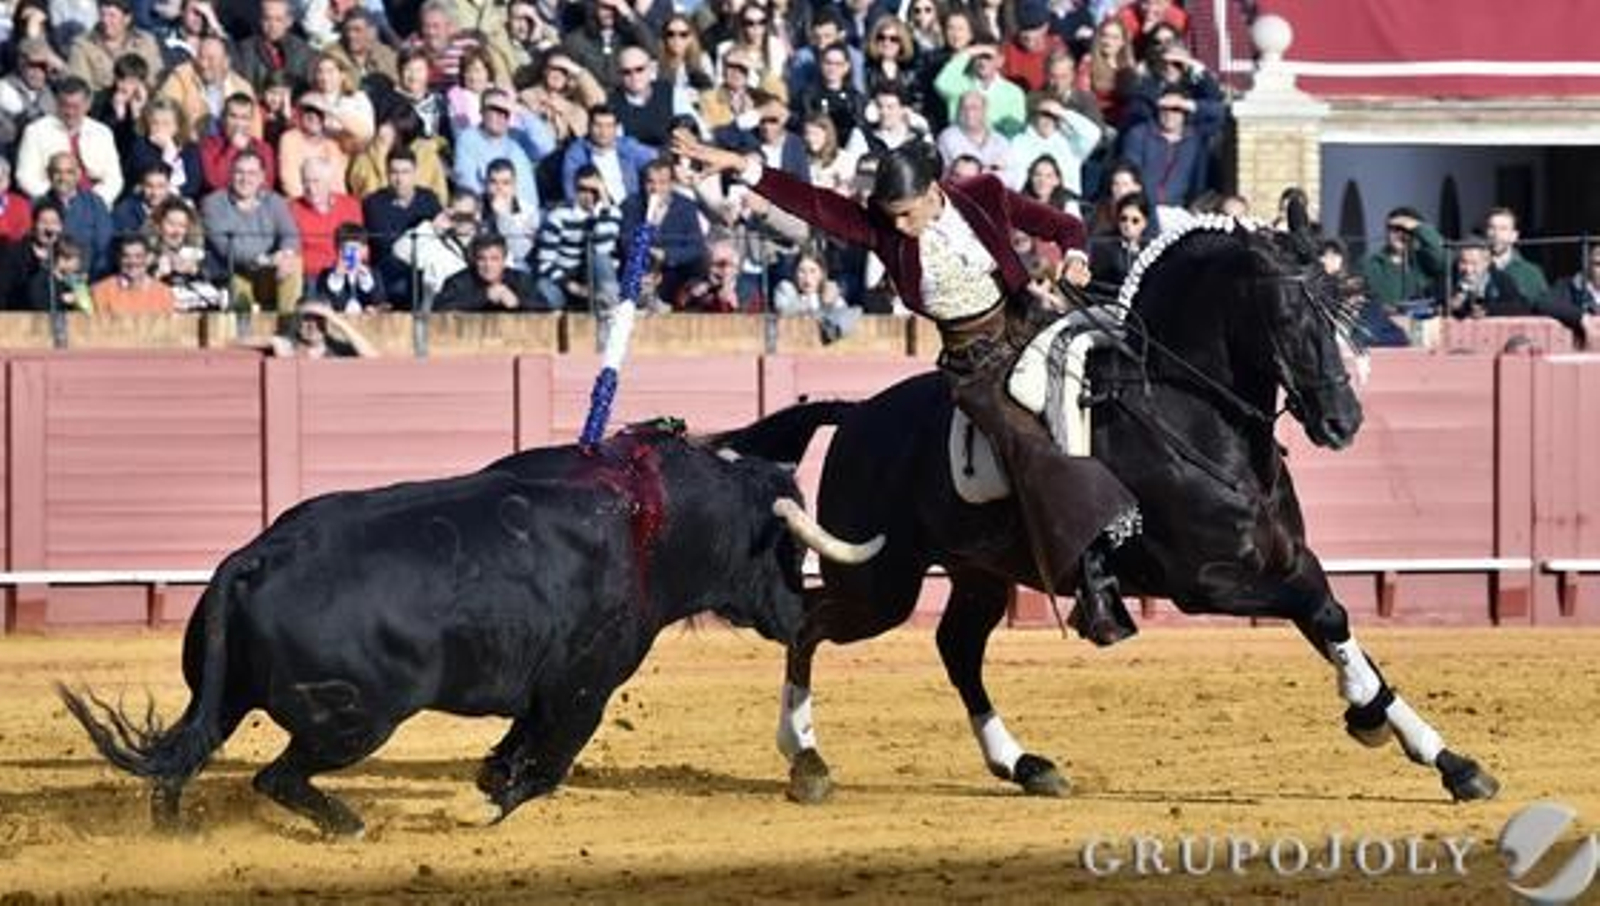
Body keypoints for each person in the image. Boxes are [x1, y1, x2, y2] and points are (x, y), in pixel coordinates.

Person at [673, 128, 1139, 646]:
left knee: (1127, 367)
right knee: (1022, 441)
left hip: (1032, 329)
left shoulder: (983, 195)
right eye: (889, 213)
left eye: (906, 212)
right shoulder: (882, 230)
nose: (898, 224)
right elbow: (813, 204)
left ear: (932, 191)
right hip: (974, 367)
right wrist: (741, 164)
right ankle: (1093, 578)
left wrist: (1075, 255)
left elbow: (1063, 224)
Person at [1360, 205, 1447, 315]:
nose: (1399, 235)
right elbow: (1358, 299)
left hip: (1418, 326)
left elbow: (1443, 257)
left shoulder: (1423, 261)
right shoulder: (1370, 263)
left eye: (1405, 230)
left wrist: (1418, 227)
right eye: (1394, 229)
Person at [433, 233, 541, 312]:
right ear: (474, 260)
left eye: (494, 259)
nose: (488, 265)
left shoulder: (521, 280)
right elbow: (439, 309)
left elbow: (545, 309)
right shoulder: (457, 282)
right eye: (482, 259)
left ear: (504, 260)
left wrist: (517, 302)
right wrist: (484, 296)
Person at [91, 233, 176, 313]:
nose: (132, 261)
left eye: (138, 256)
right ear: (119, 259)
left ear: (148, 258)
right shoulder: (101, 291)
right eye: (126, 256)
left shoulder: (164, 293)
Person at [1484, 207, 1550, 306]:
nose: (1496, 234)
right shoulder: (1469, 266)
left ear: (1514, 236)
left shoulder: (1531, 273)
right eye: (1492, 228)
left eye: (1503, 229)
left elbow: (1542, 307)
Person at [1549, 243, 1600, 316]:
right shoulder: (1565, 288)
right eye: (1598, 264)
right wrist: (1580, 317)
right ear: (1586, 263)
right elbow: (1544, 304)